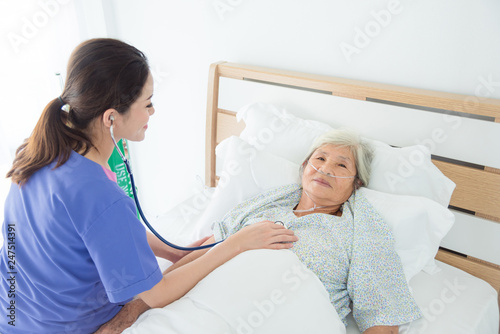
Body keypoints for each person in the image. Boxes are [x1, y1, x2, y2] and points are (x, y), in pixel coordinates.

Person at [0, 38, 298, 334]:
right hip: (63, 327)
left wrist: (173, 252)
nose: (152, 112)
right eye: (147, 103)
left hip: (11, 314)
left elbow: (101, 229)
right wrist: (236, 244)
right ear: (111, 117)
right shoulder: (101, 195)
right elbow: (158, 293)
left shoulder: (39, 150)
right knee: (144, 296)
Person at [168, 129, 422, 334]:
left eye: (341, 166)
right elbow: (204, 253)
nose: (325, 169)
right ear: (304, 166)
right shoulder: (265, 205)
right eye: (320, 158)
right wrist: (144, 299)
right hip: (205, 309)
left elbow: (381, 316)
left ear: (357, 183)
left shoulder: (363, 232)